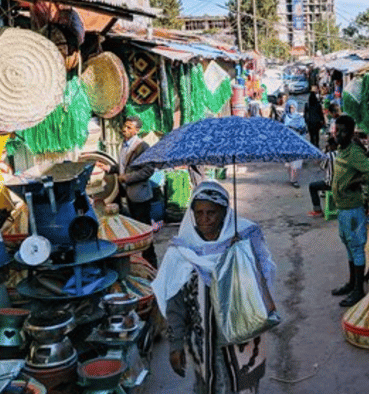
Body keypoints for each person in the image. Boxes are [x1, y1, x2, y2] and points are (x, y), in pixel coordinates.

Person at [152, 181, 276, 394]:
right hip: (203, 342)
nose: (205, 219)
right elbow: (175, 303)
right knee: (209, 385)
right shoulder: (181, 252)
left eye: (212, 212)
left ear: (225, 213)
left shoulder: (244, 239)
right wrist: (176, 345)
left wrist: (241, 255)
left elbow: (261, 285)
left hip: (244, 337)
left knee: (243, 385)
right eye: (199, 213)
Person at [331, 115, 369, 307]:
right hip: (343, 209)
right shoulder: (341, 150)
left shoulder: (353, 153)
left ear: (351, 133)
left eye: (344, 131)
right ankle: (352, 284)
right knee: (348, 245)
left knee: (356, 247)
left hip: (353, 210)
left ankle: (359, 291)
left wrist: (355, 182)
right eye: (337, 130)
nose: (339, 135)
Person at [98, 116, 158, 267]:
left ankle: (151, 263)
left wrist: (128, 178)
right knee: (135, 230)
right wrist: (110, 169)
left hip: (140, 196)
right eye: (125, 126)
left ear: (137, 130)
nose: (125, 129)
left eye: (129, 127)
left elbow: (149, 170)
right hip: (130, 195)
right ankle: (141, 262)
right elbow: (123, 166)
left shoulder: (142, 147)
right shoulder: (124, 145)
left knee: (143, 231)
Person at [307, 136, 337, 217]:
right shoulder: (343, 154)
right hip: (343, 183)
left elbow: (322, 167)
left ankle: (318, 210)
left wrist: (326, 152)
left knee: (312, 186)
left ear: (331, 146)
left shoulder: (329, 155)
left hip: (330, 184)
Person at [283, 99, 307, 188]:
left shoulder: (300, 118)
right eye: (290, 108)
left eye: (293, 107)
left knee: (297, 164)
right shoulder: (285, 118)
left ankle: (295, 180)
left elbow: (304, 130)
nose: (291, 109)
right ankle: (291, 178)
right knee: (290, 165)